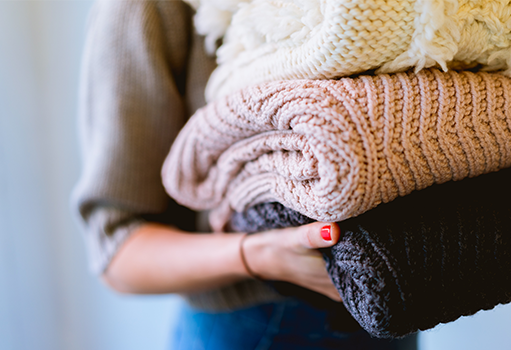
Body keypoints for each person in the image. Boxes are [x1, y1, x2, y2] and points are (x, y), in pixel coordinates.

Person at [72, 1, 417, 349]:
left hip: (397, 308)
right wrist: (257, 255)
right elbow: (117, 252)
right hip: (257, 327)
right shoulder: (145, 9)